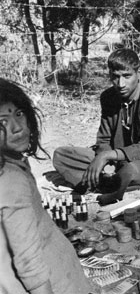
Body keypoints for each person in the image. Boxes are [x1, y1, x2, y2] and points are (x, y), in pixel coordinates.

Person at [53, 49, 140, 205]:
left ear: (139, 73)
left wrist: (106, 157)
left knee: (131, 171)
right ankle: (112, 182)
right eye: (115, 77)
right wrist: (105, 160)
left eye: (127, 76)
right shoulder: (108, 97)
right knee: (61, 155)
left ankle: (102, 181)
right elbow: (104, 139)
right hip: (119, 157)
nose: (121, 84)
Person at [0, 78, 93, 294]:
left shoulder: (12, 164)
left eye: (18, 114)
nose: (16, 128)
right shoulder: (10, 180)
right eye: (1, 122)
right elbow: (28, 259)